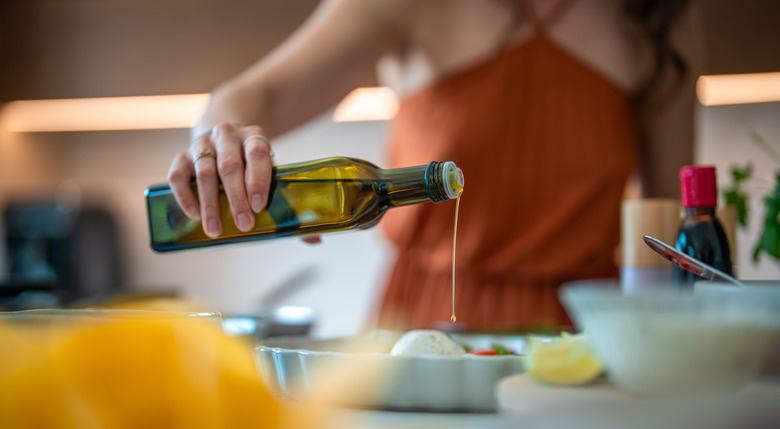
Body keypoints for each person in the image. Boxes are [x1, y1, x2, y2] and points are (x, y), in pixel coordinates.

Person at [167, 0, 704, 331]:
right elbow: (255, 96)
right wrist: (221, 143)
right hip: (421, 331)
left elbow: (669, 236)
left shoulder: (660, 18)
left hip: (582, 338)